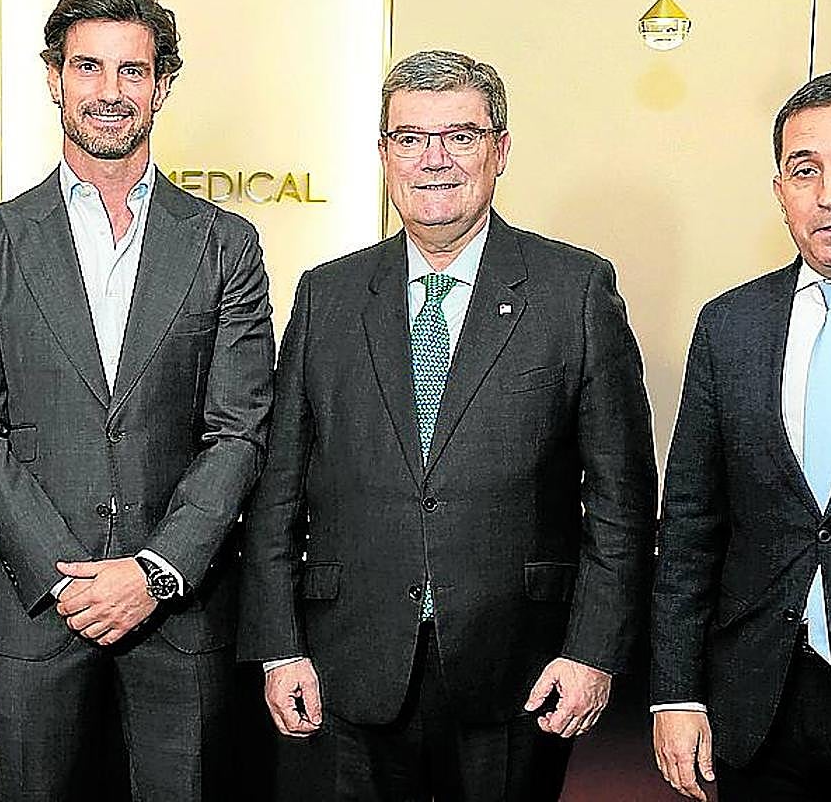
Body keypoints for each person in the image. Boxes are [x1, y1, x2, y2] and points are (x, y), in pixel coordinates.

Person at [238, 49, 657, 801]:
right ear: (383, 154)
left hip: (520, 673)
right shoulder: (328, 295)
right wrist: (278, 647)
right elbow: (278, 492)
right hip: (345, 667)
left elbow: (621, 500)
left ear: (501, 149)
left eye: (461, 136)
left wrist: (593, 652)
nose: (434, 160)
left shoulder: (575, 291)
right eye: (410, 138)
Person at [0, 0, 274, 801]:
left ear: (162, 87)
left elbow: (238, 431)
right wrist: (65, 579)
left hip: (179, 610)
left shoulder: (225, 243)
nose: (109, 91)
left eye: (133, 70)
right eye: (88, 67)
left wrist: (155, 570)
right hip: (35, 606)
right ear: (54, 79)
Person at [652, 70, 831, 801]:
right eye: (805, 170)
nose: (830, 194)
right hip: (757, 710)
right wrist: (675, 693)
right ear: (779, 190)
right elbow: (690, 526)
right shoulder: (730, 326)